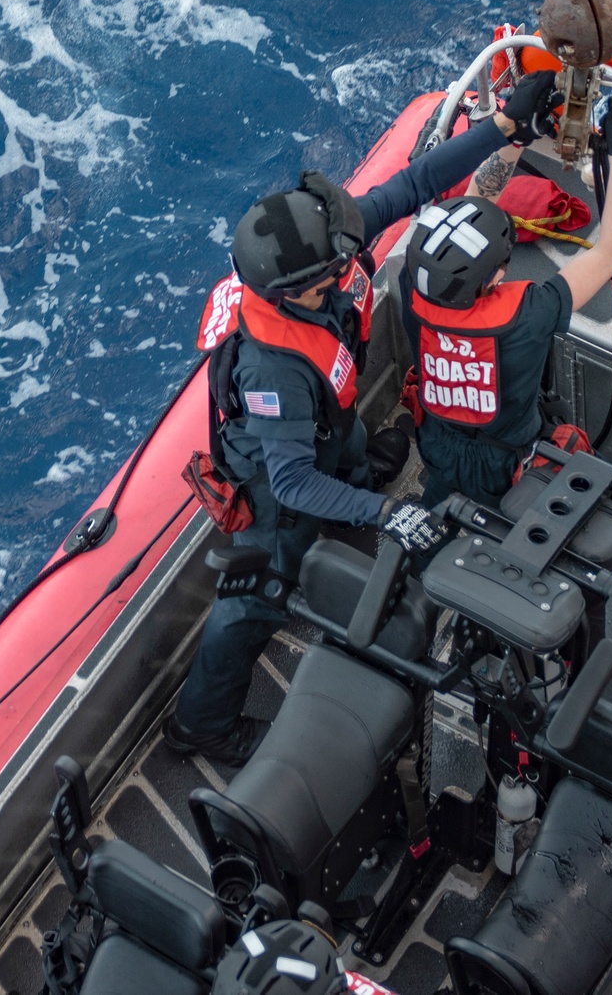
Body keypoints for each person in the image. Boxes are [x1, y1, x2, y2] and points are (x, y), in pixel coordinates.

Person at [164, 70, 561, 768]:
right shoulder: (273, 372)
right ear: (300, 289)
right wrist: (387, 516)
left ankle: (358, 483)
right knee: (257, 591)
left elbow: (408, 189)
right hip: (277, 483)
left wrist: (501, 128)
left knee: (349, 457)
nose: (357, 249)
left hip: (329, 433)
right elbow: (289, 483)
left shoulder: (323, 249)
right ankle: (202, 724)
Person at [398, 94, 612, 644]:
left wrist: (512, 138)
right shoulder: (526, 315)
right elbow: (609, 252)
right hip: (515, 463)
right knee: (599, 519)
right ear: (495, 278)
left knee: (450, 507)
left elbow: (466, 208)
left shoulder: (412, 287)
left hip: (440, 446)